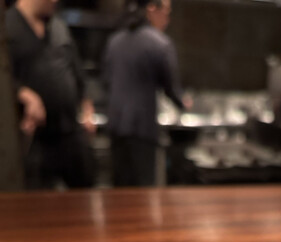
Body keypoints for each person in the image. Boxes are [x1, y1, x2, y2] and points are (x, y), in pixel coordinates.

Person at [6, 0, 96, 189]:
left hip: (70, 131)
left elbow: (77, 72)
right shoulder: (7, 26)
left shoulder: (58, 26)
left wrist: (87, 108)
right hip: (35, 137)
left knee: (85, 191)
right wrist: (22, 93)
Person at [103, 0, 187, 187]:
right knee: (142, 192)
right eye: (167, 12)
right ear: (152, 9)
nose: (168, 19)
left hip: (115, 125)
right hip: (142, 128)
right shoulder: (160, 44)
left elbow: (106, 81)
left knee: (119, 190)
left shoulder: (114, 41)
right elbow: (171, 88)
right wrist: (183, 103)